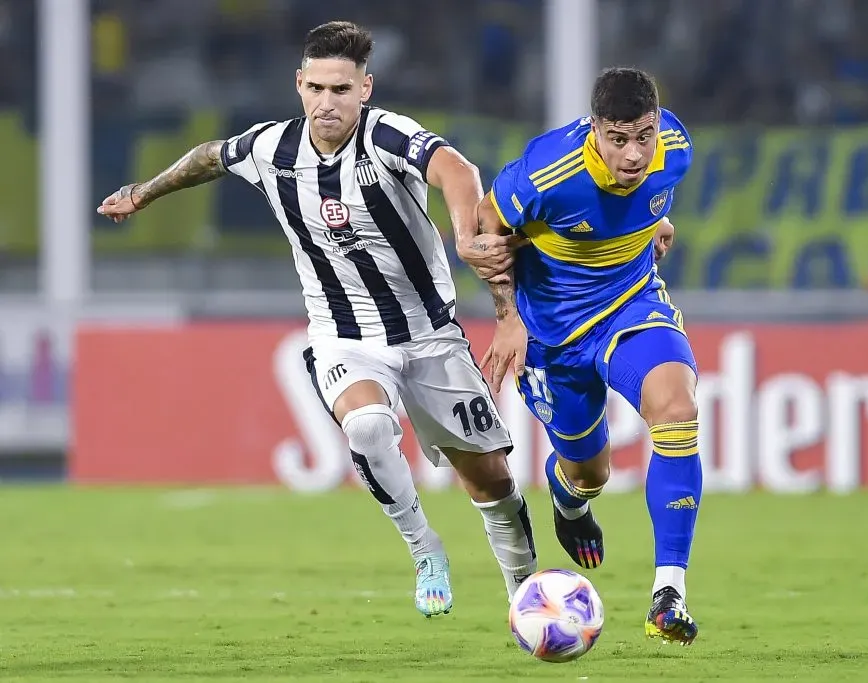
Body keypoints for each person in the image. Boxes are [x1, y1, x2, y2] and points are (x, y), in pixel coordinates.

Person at [96, 21, 537, 618]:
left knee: (491, 482)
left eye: (342, 90)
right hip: (343, 334)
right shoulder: (271, 147)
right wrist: (145, 191)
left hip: (429, 334)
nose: (328, 103)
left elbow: (454, 169)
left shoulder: (385, 136)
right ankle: (426, 549)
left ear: (366, 90)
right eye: (318, 89)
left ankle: (525, 595)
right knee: (367, 429)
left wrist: (463, 235)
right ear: (299, 85)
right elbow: (208, 158)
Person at [458, 68, 701, 644]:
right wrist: (507, 319)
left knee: (678, 411)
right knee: (589, 471)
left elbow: (642, 197)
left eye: (644, 135)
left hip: (630, 304)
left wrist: (656, 219)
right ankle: (570, 503)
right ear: (595, 131)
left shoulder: (677, 149)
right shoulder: (548, 170)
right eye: (619, 139)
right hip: (550, 333)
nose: (636, 153)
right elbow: (486, 228)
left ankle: (668, 594)